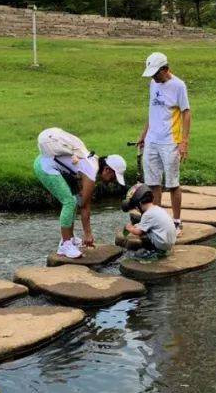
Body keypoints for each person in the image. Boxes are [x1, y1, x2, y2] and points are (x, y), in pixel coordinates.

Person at [34, 128, 127, 259]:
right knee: (69, 202)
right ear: (107, 169)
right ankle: (65, 245)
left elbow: (81, 198)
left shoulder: (92, 162)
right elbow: (84, 205)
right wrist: (88, 234)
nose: (112, 181)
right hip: (45, 167)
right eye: (113, 177)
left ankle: (70, 238)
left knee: (73, 199)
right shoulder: (91, 171)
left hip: (49, 164)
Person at [137, 52, 192, 234]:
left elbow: (186, 112)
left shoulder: (178, 86)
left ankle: (176, 221)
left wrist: (184, 141)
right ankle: (157, 219)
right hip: (152, 140)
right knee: (153, 183)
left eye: (156, 73)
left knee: (172, 183)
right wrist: (143, 134)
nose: (153, 77)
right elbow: (152, 111)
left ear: (166, 69)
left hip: (171, 141)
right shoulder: (153, 83)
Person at [121, 183, 177, 261]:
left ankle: (152, 252)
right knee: (144, 228)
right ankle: (160, 250)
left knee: (143, 234)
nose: (136, 209)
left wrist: (129, 228)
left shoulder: (147, 214)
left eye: (136, 207)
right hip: (170, 242)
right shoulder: (157, 209)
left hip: (163, 244)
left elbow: (138, 232)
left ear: (139, 203)